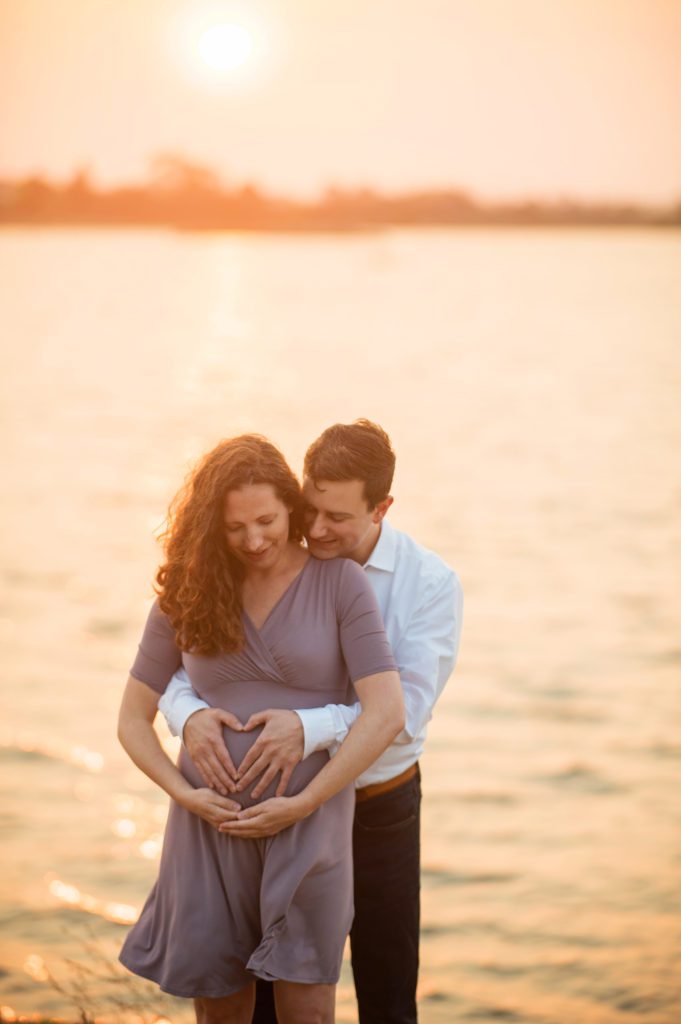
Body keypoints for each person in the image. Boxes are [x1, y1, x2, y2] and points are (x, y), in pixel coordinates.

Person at [161, 420, 463, 1024]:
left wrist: (312, 725)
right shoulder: (266, 553)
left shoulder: (430, 586)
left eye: (338, 518)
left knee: (386, 988)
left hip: (377, 809)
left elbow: (402, 716)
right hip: (277, 809)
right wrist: (188, 712)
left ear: (382, 508)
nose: (318, 529)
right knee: (270, 991)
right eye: (311, 507)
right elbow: (198, 658)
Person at [117, 434, 404, 1024]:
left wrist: (304, 803)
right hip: (206, 832)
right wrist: (184, 793)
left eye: (268, 521)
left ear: (290, 508)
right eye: (233, 527)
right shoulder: (188, 591)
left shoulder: (339, 584)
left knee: (307, 1008)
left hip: (311, 827)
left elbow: (387, 712)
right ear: (208, 525)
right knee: (218, 1009)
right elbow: (130, 719)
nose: (253, 540)